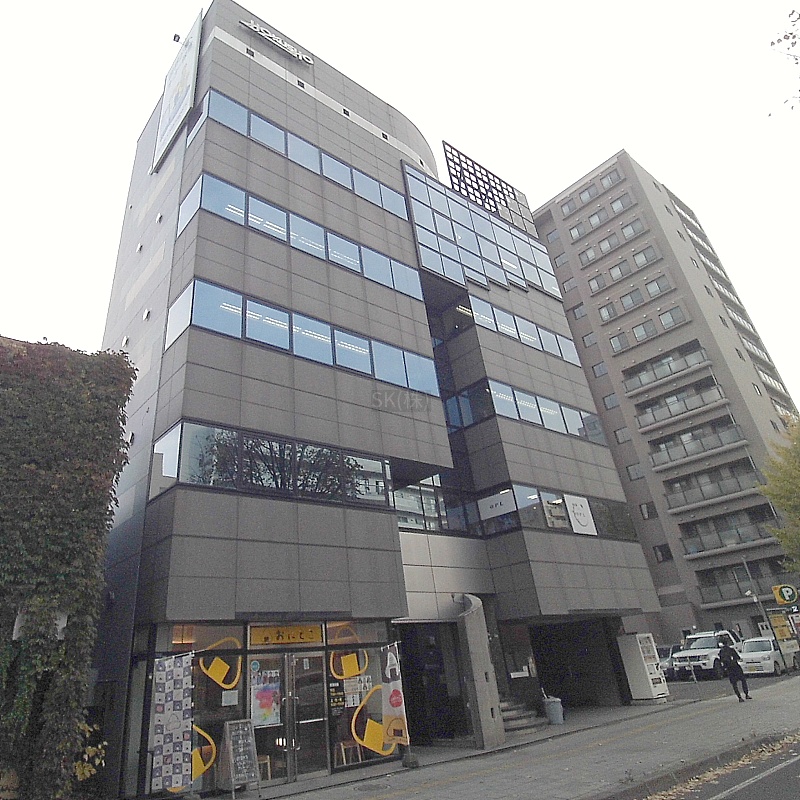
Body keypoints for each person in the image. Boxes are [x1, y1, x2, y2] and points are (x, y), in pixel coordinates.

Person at [718, 637, 751, 702]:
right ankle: (746, 694)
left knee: (734, 684)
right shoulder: (731, 650)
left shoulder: (721, 652)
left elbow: (721, 661)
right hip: (736, 667)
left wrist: (724, 668)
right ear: (727, 643)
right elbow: (738, 657)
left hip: (729, 669)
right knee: (743, 680)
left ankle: (739, 697)